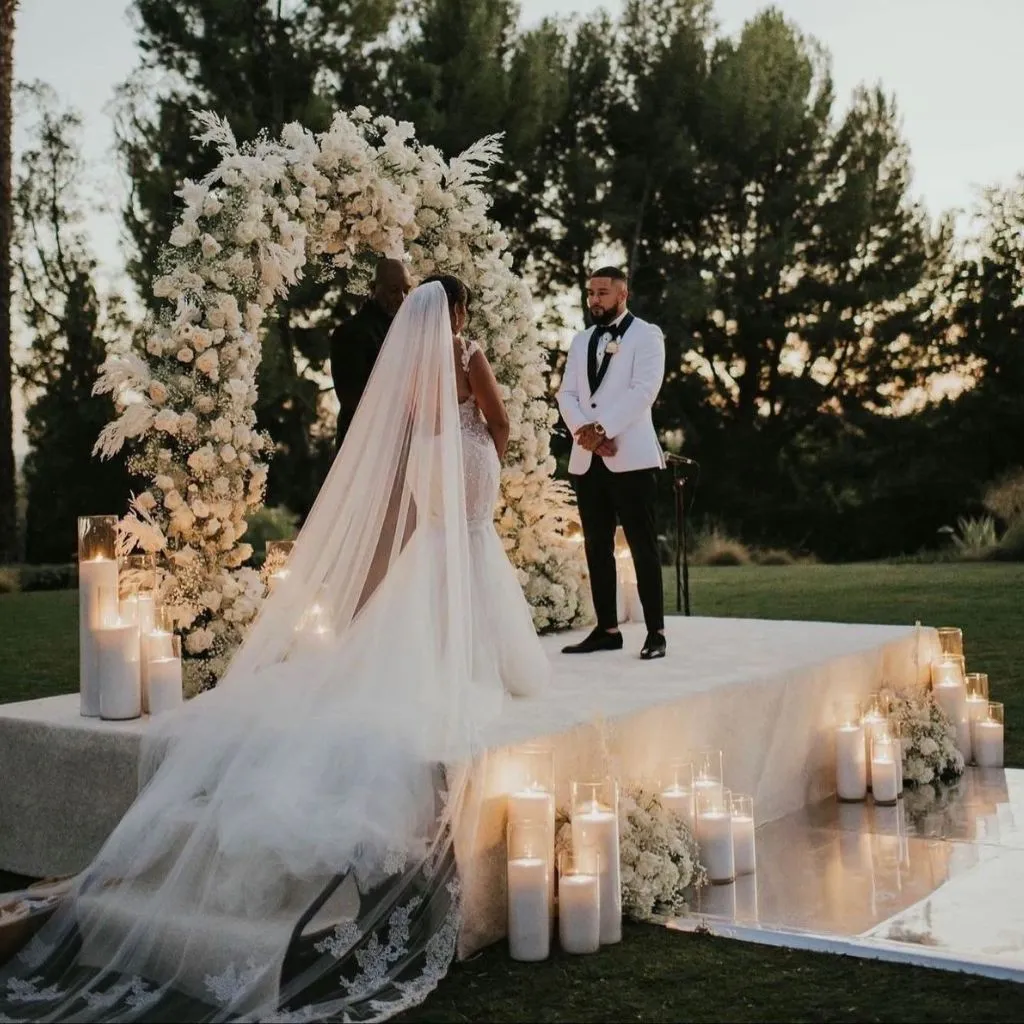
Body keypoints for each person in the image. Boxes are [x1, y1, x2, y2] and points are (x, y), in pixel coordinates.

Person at [0, 281, 549, 1023]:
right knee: (473, 620)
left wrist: (439, 466)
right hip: (468, 502)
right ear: (458, 314)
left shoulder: (408, 376)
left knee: (421, 616)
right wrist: (480, 448)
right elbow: (503, 422)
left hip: (437, 501)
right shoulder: (466, 355)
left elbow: (404, 446)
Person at [556, 266, 667, 660]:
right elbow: (566, 393)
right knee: (596, 546)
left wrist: (602, 428)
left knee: (642, 546)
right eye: (590, 293)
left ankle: (655, 632)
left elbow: (644, 391)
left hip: (631, 457)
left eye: (602, 293)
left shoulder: (647, 335)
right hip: (590, 459)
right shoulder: (581, 339)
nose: (594, 300)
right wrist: (584, 432)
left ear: (623, 294)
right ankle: (607, 629)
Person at [330, 257, 413, 449]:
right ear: (373, 287)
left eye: (406, 291)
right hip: (363, 442)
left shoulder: (406, 330)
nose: (401, 298)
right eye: (393, 290)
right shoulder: (350, 332)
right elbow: (351, 397)